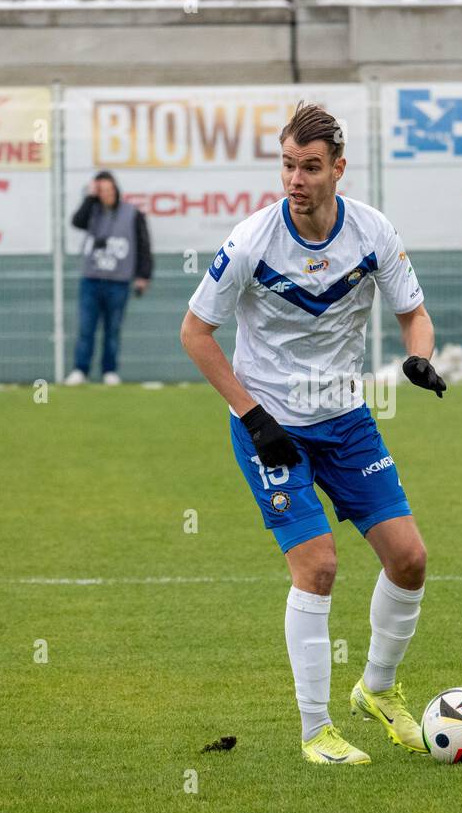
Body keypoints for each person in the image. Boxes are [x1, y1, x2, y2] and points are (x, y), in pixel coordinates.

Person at [180, 102, 447, 766]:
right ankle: (315, 730)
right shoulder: (251, 241)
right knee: (319, 565)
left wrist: (418, 357)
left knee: (409, 558)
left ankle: (378, 690)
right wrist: (253, 415)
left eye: (309, 167)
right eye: (287, 166)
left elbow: (414, 313)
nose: (295, 180)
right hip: (267, 423)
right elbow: (194, 334)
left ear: (338, 168)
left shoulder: (372, 231)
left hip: (346, 419)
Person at [66, 170, 152, 385]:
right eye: (101, 190)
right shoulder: (92, 212)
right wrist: (89, 197)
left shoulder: (132, 214)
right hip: (91, 279)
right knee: (86, 327)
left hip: (118, 281)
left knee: (112, 329)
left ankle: (109, 370)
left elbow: (144, 246)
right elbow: (76, 221)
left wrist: (143, 275)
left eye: (109, 188)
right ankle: (80, 370)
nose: (106, 193)